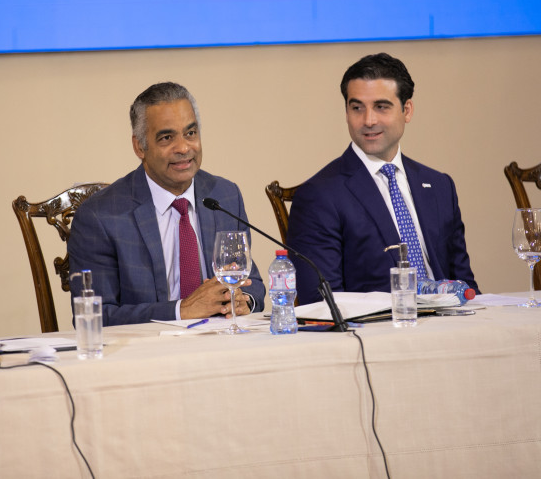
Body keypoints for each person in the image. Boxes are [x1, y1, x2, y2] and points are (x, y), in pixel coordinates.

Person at [287, 53, 479, 304]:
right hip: (379, 326)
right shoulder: (319, 195)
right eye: (357, 108)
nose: (369, 120)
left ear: (407, 110)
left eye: (381, 107)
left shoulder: (440, 186)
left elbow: (466, 285)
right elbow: (322, 302)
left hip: (450, 321)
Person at [68, 81, 265, 325]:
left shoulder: (225, 196)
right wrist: (182, 311)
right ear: (140, 146)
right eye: (166, 137)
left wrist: (244, 300)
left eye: (190, 133)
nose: (183, 148)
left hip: (219, 340)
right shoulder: (100, 216)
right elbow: (95, 317)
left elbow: (252, 282)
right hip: (148, 347)